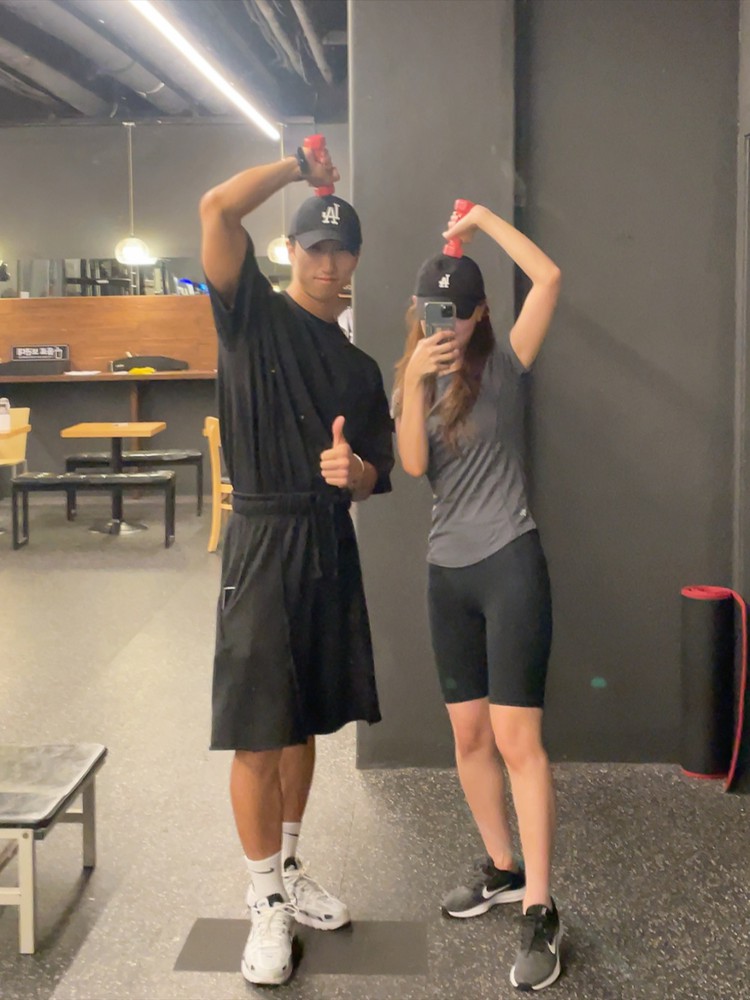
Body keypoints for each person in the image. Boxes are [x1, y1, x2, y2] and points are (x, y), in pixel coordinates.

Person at [200, 143, 393, 986]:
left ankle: (287, 868)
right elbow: (217, 209)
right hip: (261, 538)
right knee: (258, 729)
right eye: (315, 247)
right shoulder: (250, 314)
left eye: (342, 250)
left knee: (305, 719)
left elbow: (380, 469)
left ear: (356, 259)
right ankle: (263, 902)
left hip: (325, 542)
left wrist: (358, 475)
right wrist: (295, 171)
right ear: (290, 251)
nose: (329, 263)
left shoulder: (359, 367)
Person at [392, 203, 562, 991]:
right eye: (437, 313)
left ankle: (540, 908)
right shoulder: (417, 373)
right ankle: (502, 866)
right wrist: (411, 377)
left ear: (482, 312)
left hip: (510, 563)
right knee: (468, 738)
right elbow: (413, 466)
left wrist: (486, 221)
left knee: (517, 740)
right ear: (419, 310)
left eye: (460, 314)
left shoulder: (507, 361)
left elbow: (549, 277)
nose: (449, 326)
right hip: (447, 573)